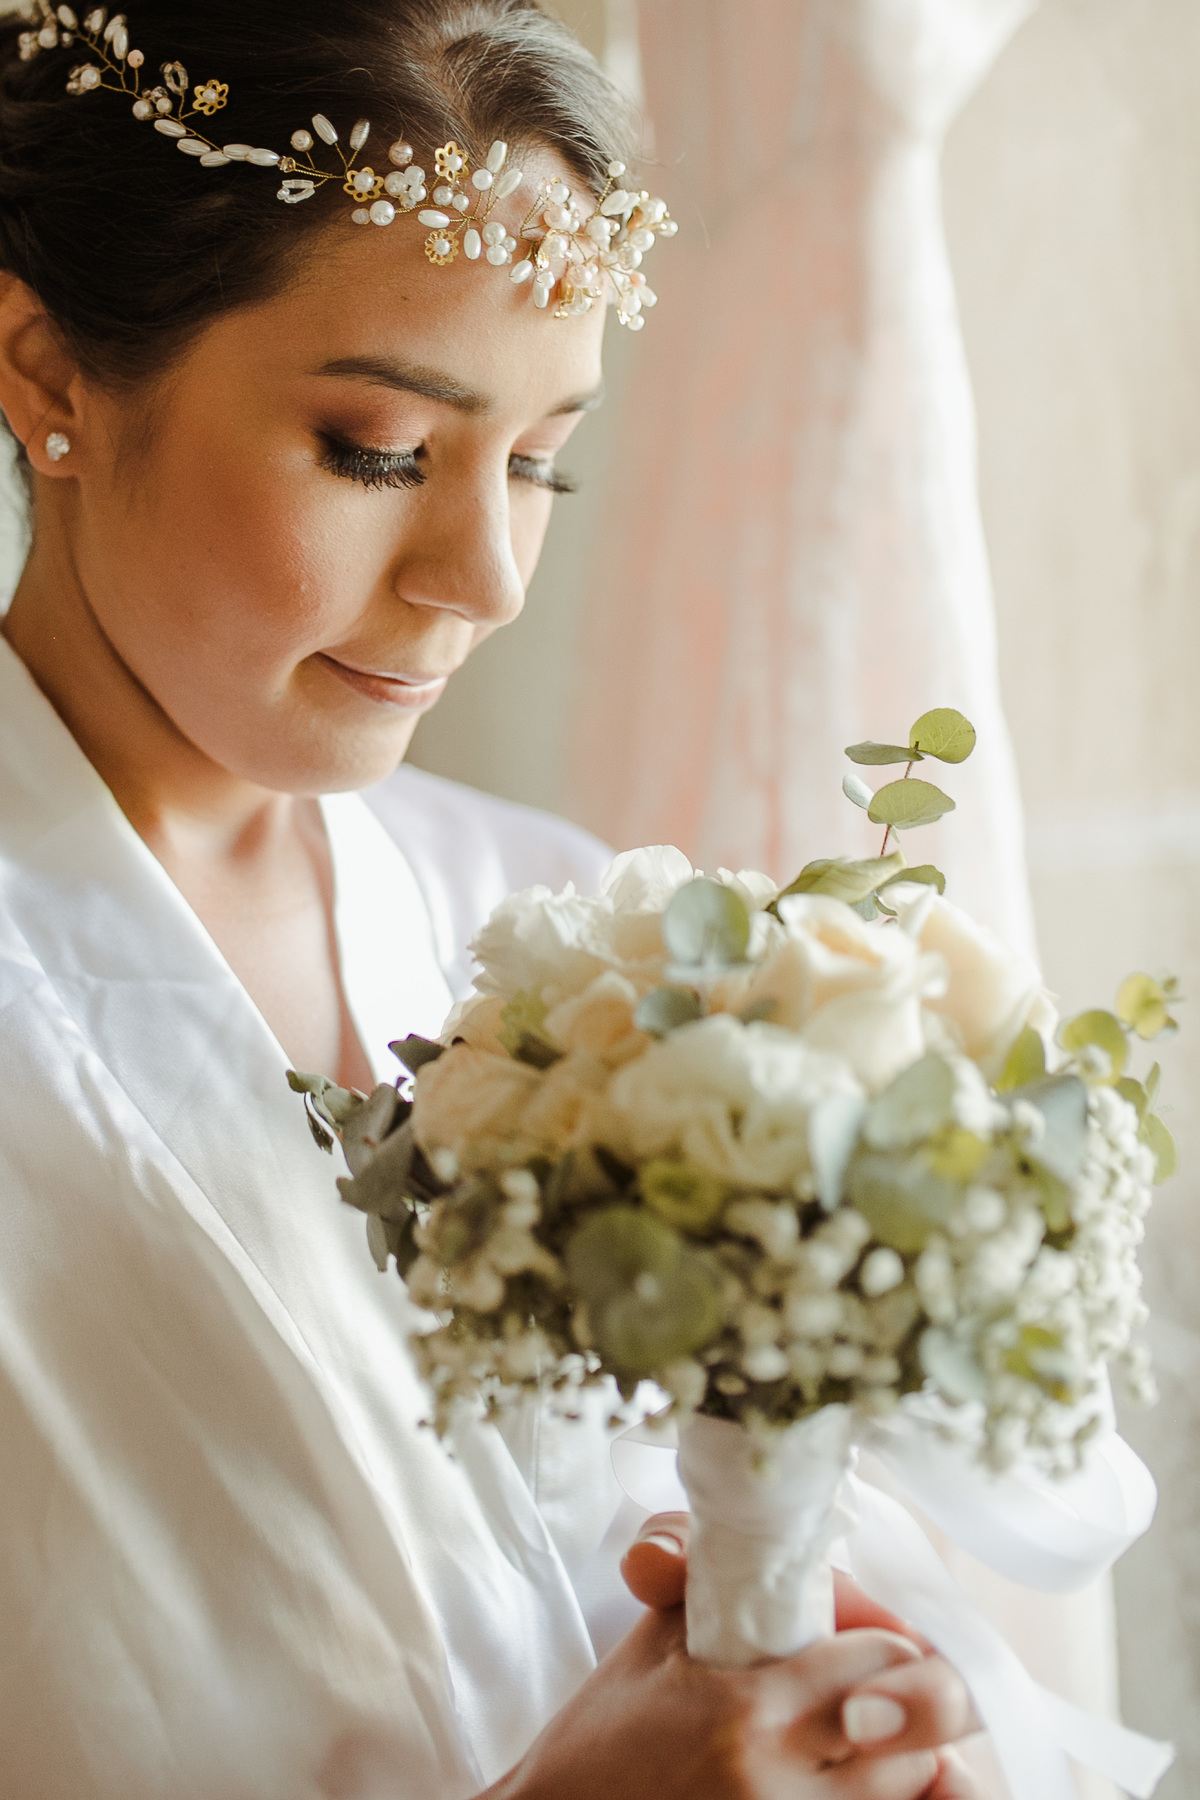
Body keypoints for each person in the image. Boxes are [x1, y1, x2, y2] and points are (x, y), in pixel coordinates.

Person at [0, 1, 986, 1794]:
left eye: (542, 461)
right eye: (381, 449)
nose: (492, 575)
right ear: (51, 375)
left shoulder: (558, 929)